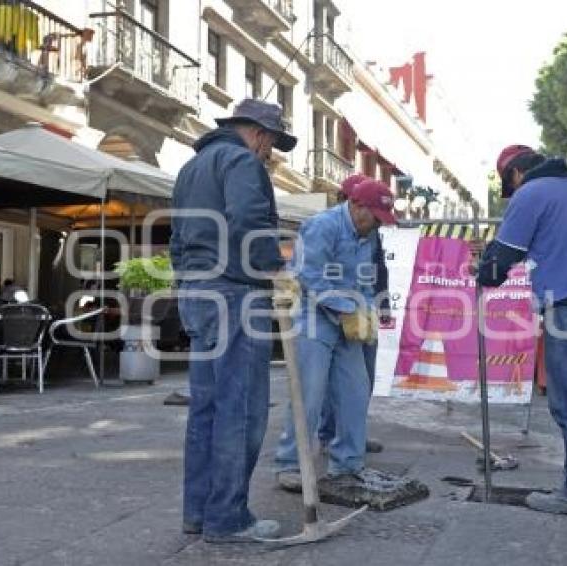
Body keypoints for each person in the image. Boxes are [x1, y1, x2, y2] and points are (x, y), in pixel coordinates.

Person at [170, 99, 296, 542]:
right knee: (240, 409)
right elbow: (249, 219)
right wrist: (273, 270)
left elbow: (178, 239)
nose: (271, 153)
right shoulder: (243, 161)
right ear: (260, 134)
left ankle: (199, 512)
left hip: (198, 292)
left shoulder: (193, 166)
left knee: (206, 407)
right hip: (235, 291)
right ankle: (226, 517)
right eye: (273, 144)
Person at [475, 144, 567, 518]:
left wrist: (484, 272)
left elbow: (503, 258)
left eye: (510, 185)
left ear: (516, 173)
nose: (512, 193)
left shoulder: (531, 193)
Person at [275, 179, 397, 491]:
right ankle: (289, 464)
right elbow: (309, 276)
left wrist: (367, 310)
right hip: (314, 318)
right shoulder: (322, 226)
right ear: (356, 206)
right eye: (375, 217)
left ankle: (347, 464)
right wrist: (346, 309)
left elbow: (366, 280)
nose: (377, 225)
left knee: (356, 391)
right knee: (310, 395)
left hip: (349, 316)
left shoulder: (367, 233)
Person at [318, 174, 390, 454]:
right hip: (335, 314)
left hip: (364, 311)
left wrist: (381, 306)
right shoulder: (327, 228)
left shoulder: (371, 231)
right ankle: (329, 435)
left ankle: (353, 435)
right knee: (333, 383)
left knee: (364, 379)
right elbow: (317, 276)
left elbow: (378, 269)